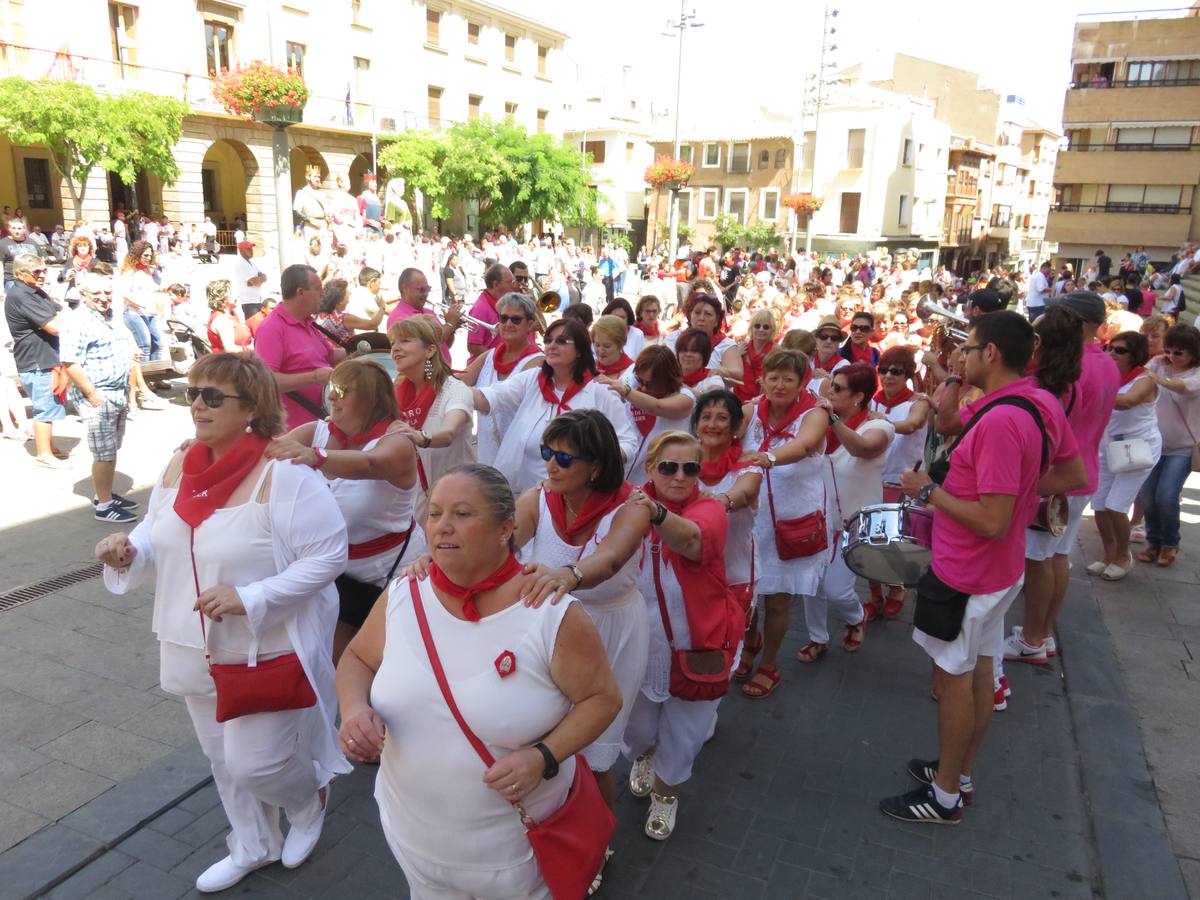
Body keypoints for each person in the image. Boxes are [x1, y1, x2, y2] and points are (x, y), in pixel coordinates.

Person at [95, 352, 351, 891]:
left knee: (257, 763)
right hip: (188, 640)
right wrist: (128, 550)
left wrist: (251, 596)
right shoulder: (178, 464)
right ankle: (254, 843)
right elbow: (157, 533)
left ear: (252, 407)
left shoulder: (284, 474)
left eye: (214, 397)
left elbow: (329, 556)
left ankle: (307, 803)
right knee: (220, 756)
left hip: (263, 645)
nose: (197, 405)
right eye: (194, 393)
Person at [335, 463, 621, 899]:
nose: (443, 527)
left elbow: (602, 699)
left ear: (506, 528)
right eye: (434, 514)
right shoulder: (403, 595)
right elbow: (356, 657)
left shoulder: (550, 614)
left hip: (514, 856)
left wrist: (544, 756)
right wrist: (354, 710)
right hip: (412, 836)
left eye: (463, 514)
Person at [879, 311, 1084, 824]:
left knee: (954, 680)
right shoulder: (1035, 401)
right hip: (999, 569)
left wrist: (927, 492)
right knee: (981, 672)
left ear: (990, 353)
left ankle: (945, 797)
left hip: (969, 571)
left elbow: (990, 521)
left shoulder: (1000, 421)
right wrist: (1021, 494)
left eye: (967, 349)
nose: (961, 355)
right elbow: (1073, 472)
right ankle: (957, 772)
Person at [509, 411, 651, 826]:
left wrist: (568, 575)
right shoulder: (539, 497)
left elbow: (608, 560)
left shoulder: (633, 506)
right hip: (549, 630)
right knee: (542, 734)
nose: (550, 465)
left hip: (611, 632)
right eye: (547, 453)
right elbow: (503, 544)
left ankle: (598, 837)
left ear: (598, 467)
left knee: (593, 754)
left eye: (565, 458)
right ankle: (551, 821)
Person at [622, 431, 739, 840]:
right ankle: (644, 756)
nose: (681, 476)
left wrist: (651, 511)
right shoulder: (628, 503)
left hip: (697, 642)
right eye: (669, 467)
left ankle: (666, 793)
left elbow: (691, 539)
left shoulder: (710, 509)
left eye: (691, 467)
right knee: (636, 729)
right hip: (640, 642)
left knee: (684, 733)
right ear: (651, 467)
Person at [267, 358, 419, 661]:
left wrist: (315, 457)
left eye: (342, 389)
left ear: (371, 399)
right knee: (337, 662)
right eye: (331, 387)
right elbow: (262, 454)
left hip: (390, 576)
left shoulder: (397, 442)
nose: (331, 396)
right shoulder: (317, 431)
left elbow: (371, 463)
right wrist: (212, 446)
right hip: (337, 573)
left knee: (390, 660)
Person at [1004, 293, 1119, 669]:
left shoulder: (1069, 369)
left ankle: (1032, 640)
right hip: (1084, 473)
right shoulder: (1106, 363)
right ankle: (1043, 633)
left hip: (1056, 478)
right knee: (1056, 558)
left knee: (1039, 560)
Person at [737, 349, 831, 699]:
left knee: (777, 601)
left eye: (788, 379)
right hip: (749, 519)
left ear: (801, 383)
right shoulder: (751, 409)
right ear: (762, 379)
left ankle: (769, 664)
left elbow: (806, 445)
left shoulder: (815, 412)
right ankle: (750, 642)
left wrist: (767, 457)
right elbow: (727, 434)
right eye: (772, 377)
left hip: (792, 523)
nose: (779, 385)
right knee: (745, 597)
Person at [473, 317, 637, 494]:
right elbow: (490, 397)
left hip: (574, 497)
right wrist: (451, 390)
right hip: (522, 495)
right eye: (548, 340)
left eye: (561, 341)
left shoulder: (600, 392)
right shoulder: (533, 379)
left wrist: (592, 458)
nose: (551, 345)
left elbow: (628, 443)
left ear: (581, 350)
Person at [799, 362, 893, 660]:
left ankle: (855, 617)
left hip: (856, 523)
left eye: (838, 389)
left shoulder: (880, 425)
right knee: (810, 584)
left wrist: (833, 421)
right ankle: (817, 637)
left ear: (859, 397)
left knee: (837, 589)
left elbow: (864, 449)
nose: (830, 392)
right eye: (831, 386)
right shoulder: (818, 420)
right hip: (816, 518)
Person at [692, 390, 763, 681]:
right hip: (694, 570)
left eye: (722, 418)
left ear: (736, 428)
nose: (712, 424)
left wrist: (714, 503)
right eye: (706, 417)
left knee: (728, 638)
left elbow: (745, 493)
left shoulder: (750, 464)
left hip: (736, 571)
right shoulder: (683, 462)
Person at [58, 272, 137, 522]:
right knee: (103, 452)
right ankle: (104, 505)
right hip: (99, 395)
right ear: (83, 295)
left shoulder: (109, 317)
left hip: (116, 392)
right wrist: (92, 394)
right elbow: (70, 362)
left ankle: (105, 494)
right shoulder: (76, 320)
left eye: (107, 292)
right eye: (97, 294)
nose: (104, 298)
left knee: (111, 449)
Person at [387, 314, 476, 520]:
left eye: (405, 341)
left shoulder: (454, 390)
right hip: (415, 499)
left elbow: (448, 433)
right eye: (393, 342)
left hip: (458, 498)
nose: (395, 348)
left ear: (430, 350)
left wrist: (420, 437)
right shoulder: (395, 389)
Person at [865, 346, 931, 618]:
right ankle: (874, 594)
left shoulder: (919, 401)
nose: (888, 375)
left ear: (907, 374)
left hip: (903, 483)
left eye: (896, 371)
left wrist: (884, 420)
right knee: (869, 542)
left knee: (895, 543)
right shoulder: (871, 400)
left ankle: (896, 588)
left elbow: (913, 424)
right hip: (871, 479)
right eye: (884, 370)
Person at [1088, 332, 1159, 580]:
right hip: (1108, 447)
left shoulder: (1145, 379)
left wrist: (1091, 391)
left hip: (1137, 449)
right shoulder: (1108, 376)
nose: (1112, 354)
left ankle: (1123, 555)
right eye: (1110, 348)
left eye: (1120, 350)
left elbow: (1128, 402)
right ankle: (1109, 554)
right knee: (1098, 503)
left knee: (1116, 506)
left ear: (1135, 355)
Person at [254, 264, 347, 429]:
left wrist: (362, 350)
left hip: (319, 422)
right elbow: (265, 382)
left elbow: (330, 356)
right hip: (295, 429)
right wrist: (314, 377)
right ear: (301, 292)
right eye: (318, 289)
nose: (323, 293)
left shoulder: (308, 322)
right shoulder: (272, 328)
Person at [1138, 324, 1200, 567]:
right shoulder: (1159, 364)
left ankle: (1170, 542)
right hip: (1154, 442)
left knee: (1167, 495)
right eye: (1169, 350)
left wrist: (1155, 377)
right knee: (1148, 496)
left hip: (1183, 447)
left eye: (1179, 352)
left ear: (1193, 353)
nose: (1172, 356)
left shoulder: (1195, 374)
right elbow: (1140, 373)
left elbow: (1183, 388)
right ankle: (1154, 541)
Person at [458, 292, 543, 467]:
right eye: (503, 319)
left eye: (516, 320)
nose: (508, 324)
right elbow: (460, 379)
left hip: (521, 461)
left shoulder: (538, 361)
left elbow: (502, 396)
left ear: (530, 324)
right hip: (488, 455)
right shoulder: (490, 355)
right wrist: (428, 366)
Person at [4, 253, 68, 467]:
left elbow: (61, 313)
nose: (42, 275)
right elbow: (55, 326)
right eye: (36, 272)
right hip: (36, 359)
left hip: (46, 356)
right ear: (21, 274)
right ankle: (44, 454)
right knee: (44, 407)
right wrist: (62, 319)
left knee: (50, 405)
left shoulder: (35, 292)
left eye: (44, 270)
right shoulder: (21, 295)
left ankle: (49, 447)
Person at [601, 344, 696, 486]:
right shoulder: (632, 385)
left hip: (660, 484)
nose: (644, 388)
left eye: (651, 384)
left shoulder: (685, 397)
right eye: (641, 381)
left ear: (668, 379)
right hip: (621, 478)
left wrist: (626, 391)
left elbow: (655, 406)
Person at [384, 268, 462, 361]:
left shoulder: (429, 312)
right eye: (421, 289)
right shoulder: (399, 317)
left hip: (443, 371)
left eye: (428, 289)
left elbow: (445, 345)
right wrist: (450, 324)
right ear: (405, 289)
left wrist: (452, 329)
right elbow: (426, 345)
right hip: (426, 374)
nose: (426, 294)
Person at [665, 292, 744, 385]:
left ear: (717, 320)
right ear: (690, 316)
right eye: (697, 313)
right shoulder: (673, 338)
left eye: (708, 314)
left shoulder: (725, 345)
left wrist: (722, 371)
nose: (701, 318)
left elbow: (738, 373)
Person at [115, 240, 166, 362]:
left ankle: (155, 375)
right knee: (145, 344)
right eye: (145, 255)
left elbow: (157, 288)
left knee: (158, 343)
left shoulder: (149, 270)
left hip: (151, 313)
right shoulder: (129, 271)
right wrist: (142, 304)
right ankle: (144, 377)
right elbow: (125, 293)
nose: (148, 258)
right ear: (138, 255)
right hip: (134, 313)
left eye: (150, 255)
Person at [466, 263, 518, 356]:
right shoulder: (481, 308)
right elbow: (473, 346)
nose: (514, 286)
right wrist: (497, 359)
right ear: (496, 285)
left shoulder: (501, 303)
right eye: (510, 282)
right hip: (489, 366)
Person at [206, 279, 252, 354]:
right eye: (232, 293)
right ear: (224, 297)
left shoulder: (231, 314)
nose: (237, 295)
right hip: (229, 363)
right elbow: (230, 349)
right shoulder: (221, 319)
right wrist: (254, 348)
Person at [1, 219, 42, 289]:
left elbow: (41, 263)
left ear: (24, 229)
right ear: (9, 229)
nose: (17, 231)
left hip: (32, 278)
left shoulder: (33, 243)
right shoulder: (2, 244)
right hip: (12, 280)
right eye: (14, 228)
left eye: (19, 228)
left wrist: (47, 281)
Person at [592, 315, 635, 379]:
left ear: (621, 344)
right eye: (597, 345)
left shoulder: (631, 372)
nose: (601, 351)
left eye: (607, 346)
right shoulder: (591, 367)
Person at [314, 279, 355, 346]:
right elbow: (372, 324)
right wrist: (379, 307)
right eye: (348, 296)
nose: (349, 300)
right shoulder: (343, 318)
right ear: (340, 300)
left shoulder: (316, 315)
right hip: (344, 354)